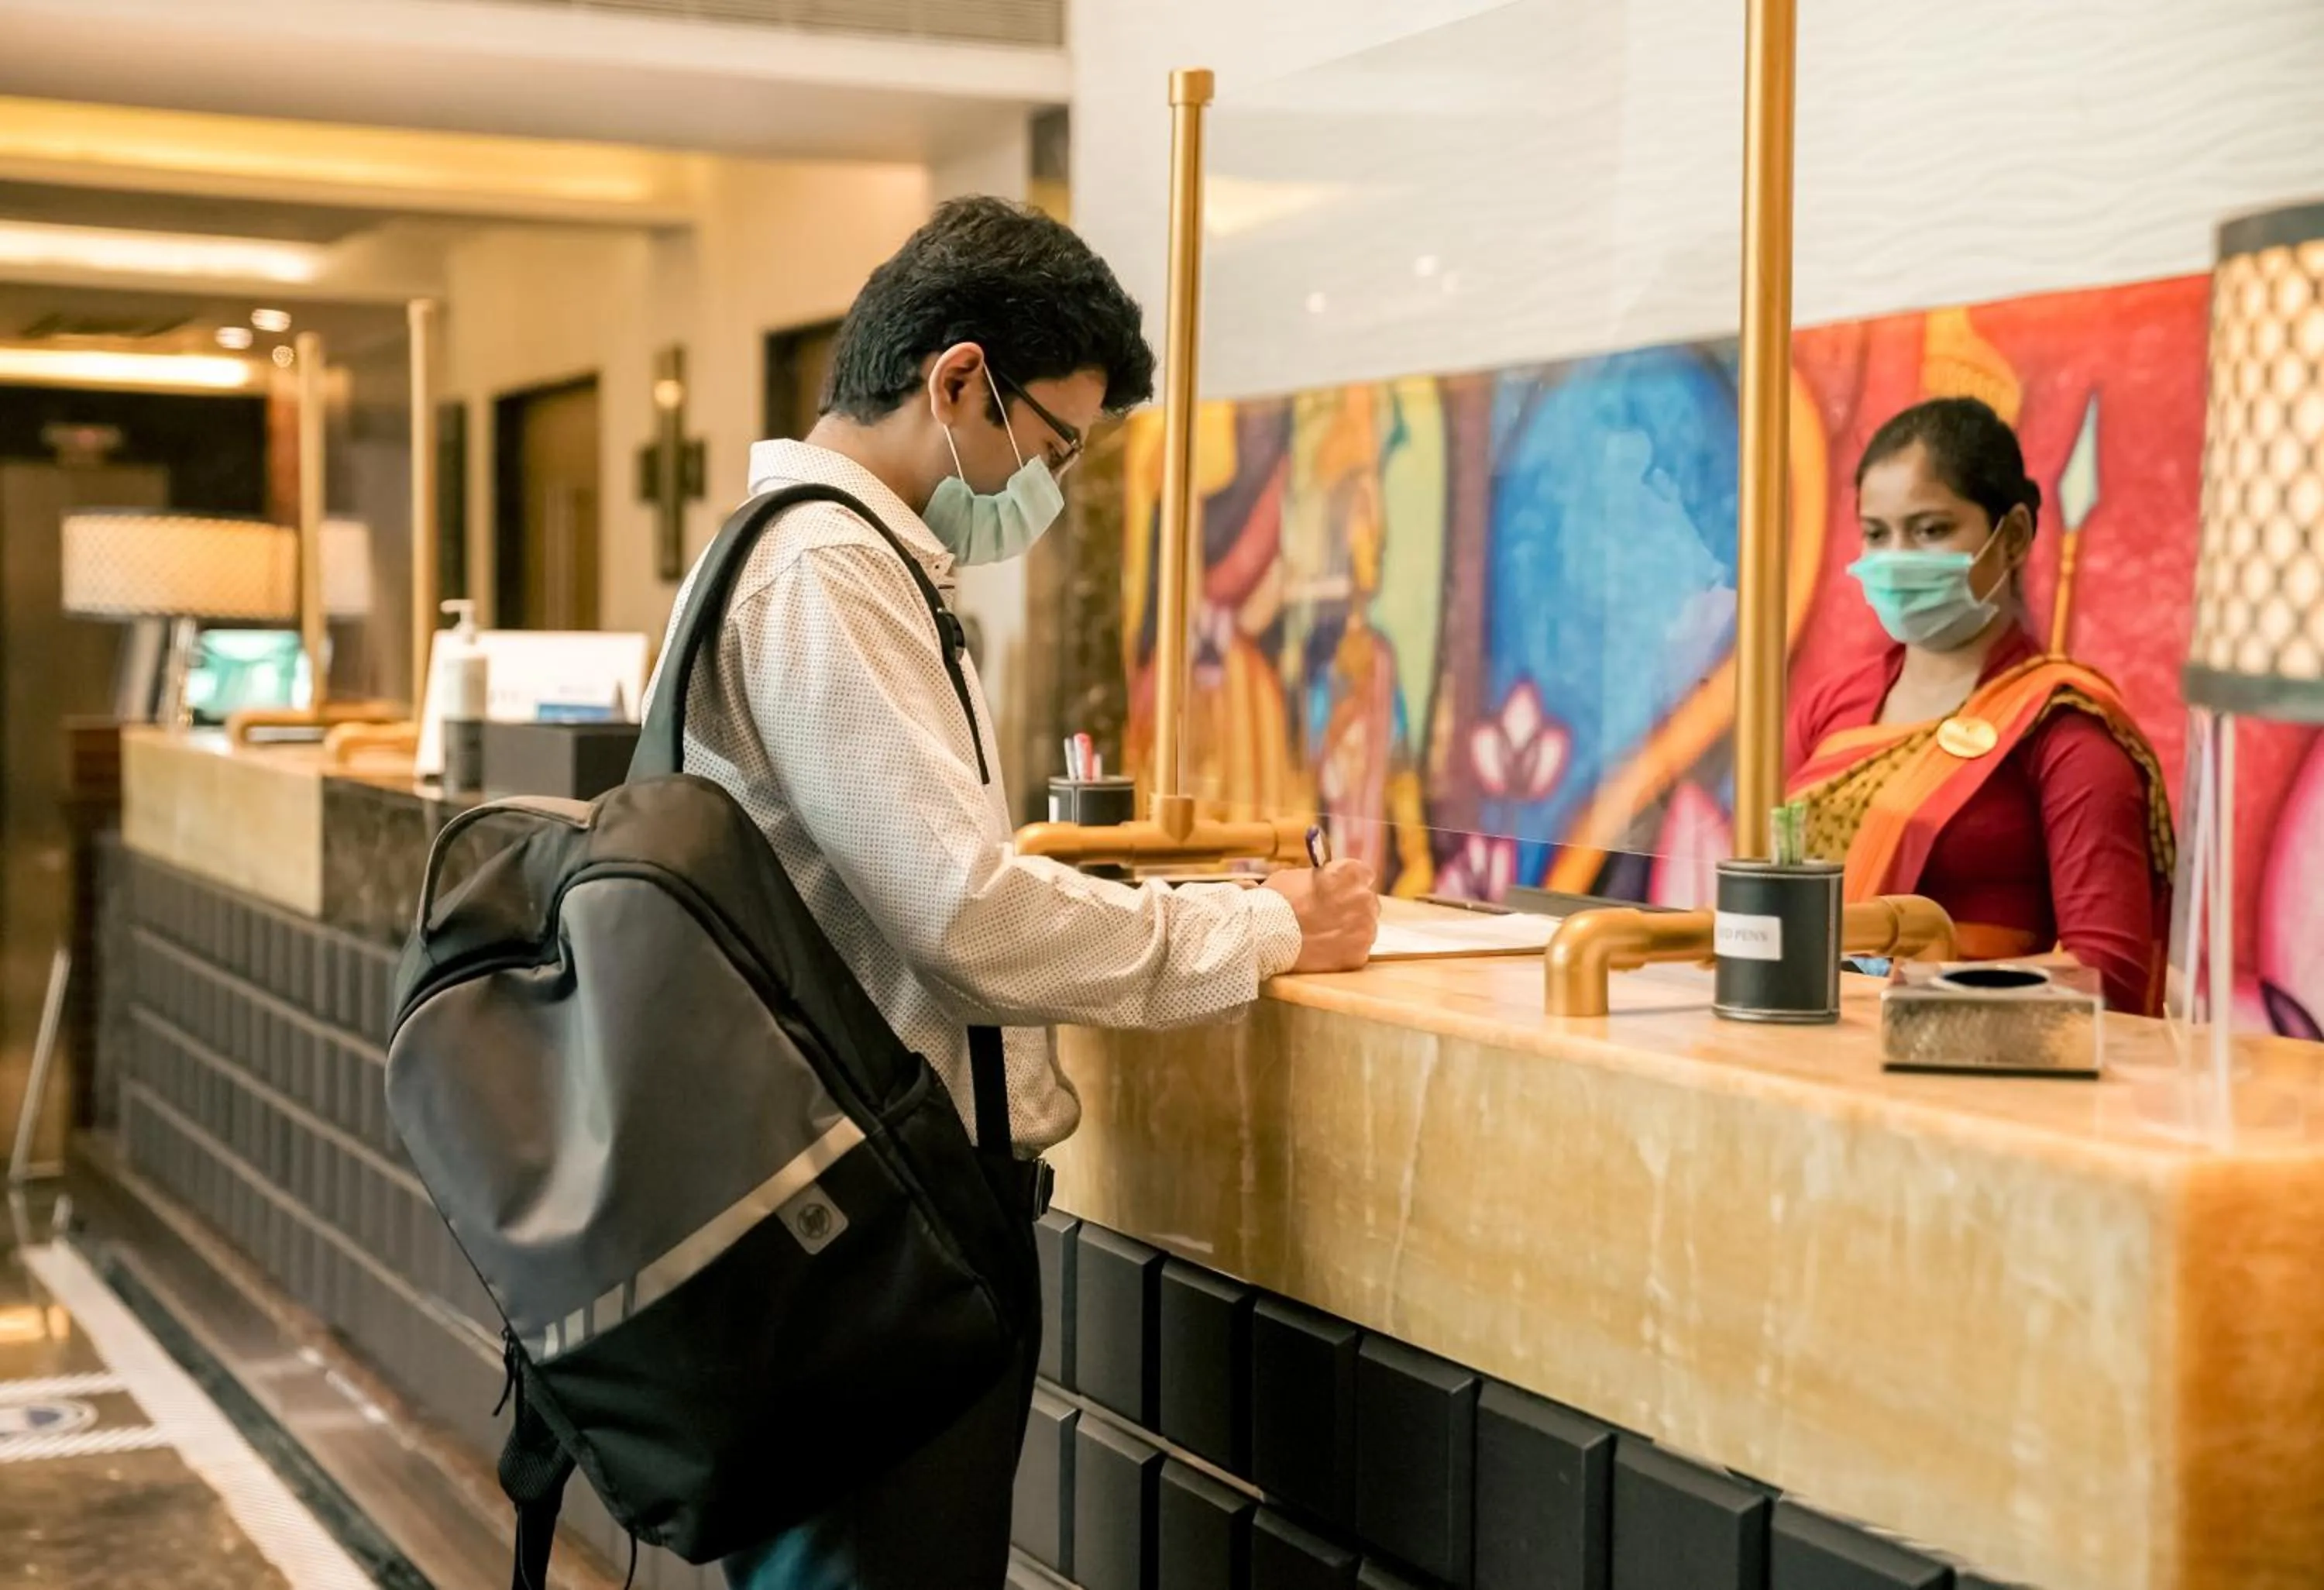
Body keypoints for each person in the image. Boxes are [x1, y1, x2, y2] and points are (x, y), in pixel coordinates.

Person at [646, 196, 1380, 1590]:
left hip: (863, 1216)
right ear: (960, 380)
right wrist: (1270, 927)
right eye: (1054, 441)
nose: (1050, 480)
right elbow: (968, 922)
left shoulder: (829, 560)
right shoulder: (822, 573)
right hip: (871, 1229)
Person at [1786, 396, 2173, 1015]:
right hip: (1803, 1055)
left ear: (2013, 534)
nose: (1897, 559)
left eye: (1931, 529)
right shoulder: (1832, 708)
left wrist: (1898, 993)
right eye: (1877, 534)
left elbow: (2109, 973)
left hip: (1972, 1076)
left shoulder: (2065, 730)